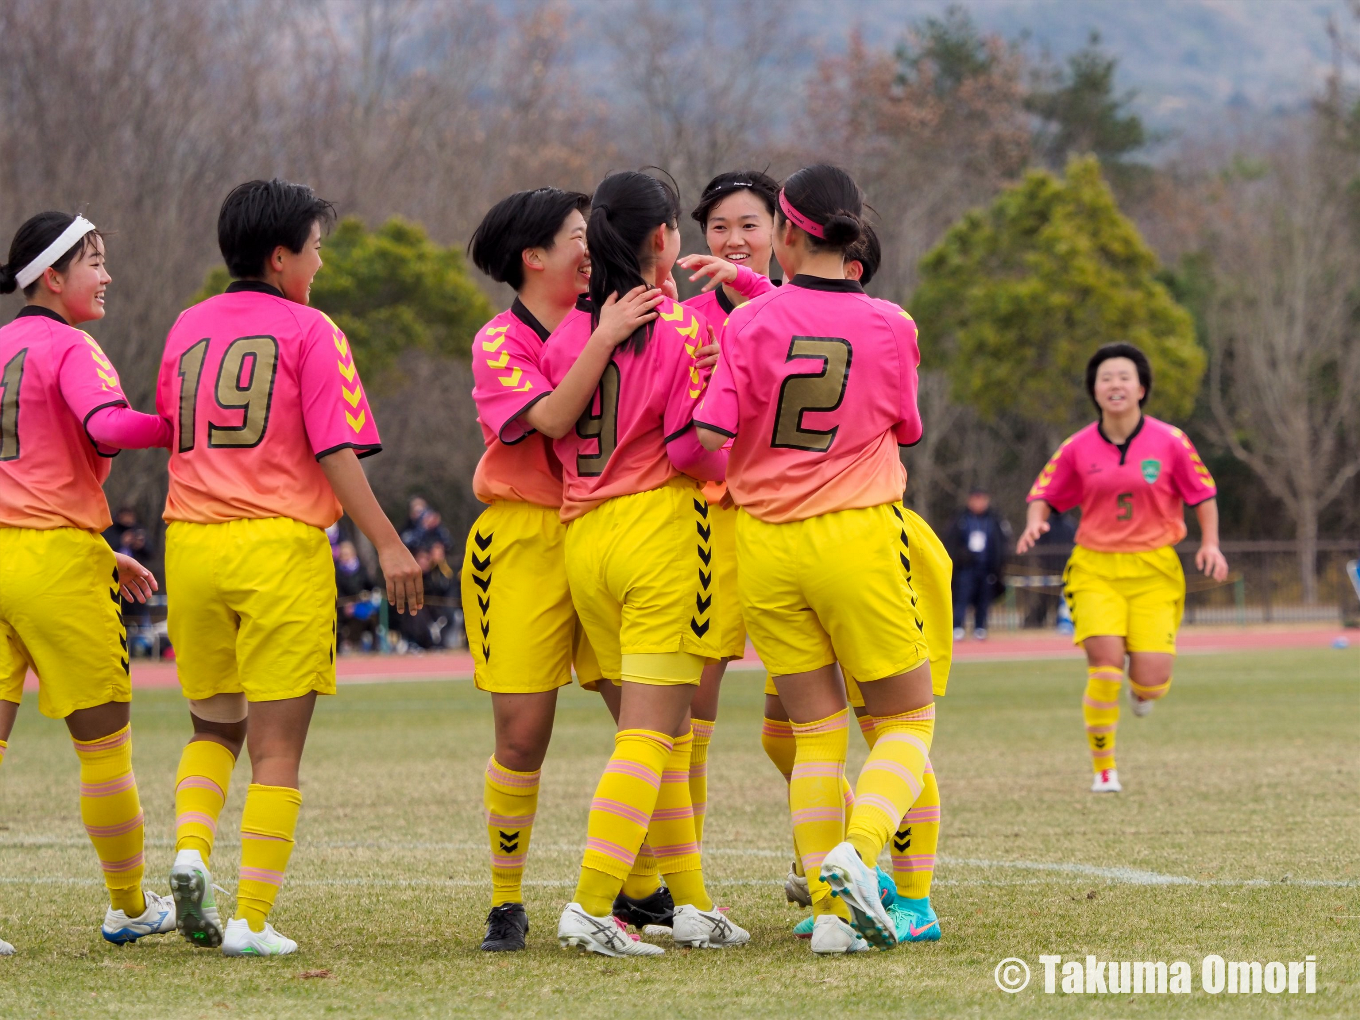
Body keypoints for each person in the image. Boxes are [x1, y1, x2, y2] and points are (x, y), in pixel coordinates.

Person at [156, 178, 423, 957]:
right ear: (280, 258)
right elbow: (334, 450)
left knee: (213, 725)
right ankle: (251, 920)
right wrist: (386, 540)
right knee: (277, 750)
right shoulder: (312, 330)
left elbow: (176, 433)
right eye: (315, 250)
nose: (320, 265)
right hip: (277, 546)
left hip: (192, 546)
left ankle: (190, 851)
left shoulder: (184, 327)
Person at [695, 164, 946, 954]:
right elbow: (905, 428)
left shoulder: (749, 325)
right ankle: (861, 855)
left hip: (765, 546)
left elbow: (710, 435)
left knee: (815, 734)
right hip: (855, 535)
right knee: (906, 719)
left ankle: (833, 923)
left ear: (789, 234)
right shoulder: (892, 324)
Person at [544, 170, 748, 957]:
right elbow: (690, 445)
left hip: (583, 536)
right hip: (657, 532)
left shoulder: (572, 329)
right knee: (652, 737)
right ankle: (594, 903)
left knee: (652, 738)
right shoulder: (680, 329)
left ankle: (692, 904)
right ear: (662, 238)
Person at [463, 186, 665, 951]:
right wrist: (606, 337)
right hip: (523, 539)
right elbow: (549, 419)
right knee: (522, 735)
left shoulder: (620, 315)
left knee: (643, 719)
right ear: (534, 255)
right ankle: (506, 902)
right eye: (578, 234)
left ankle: (645, 890)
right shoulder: (499, 340)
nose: (593, 246)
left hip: (612, 533)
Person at [0, 210, 178, 951]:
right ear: (52, 276)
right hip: (52, 563)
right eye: (94, 262)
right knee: (104, 748)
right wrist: (178, 421)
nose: (106, 277)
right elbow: (106, 427)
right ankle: (130, 905)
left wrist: (104, 550)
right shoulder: (69, 342)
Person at [1017, 343, 1227, 793]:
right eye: (1105, 377)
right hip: (1095, 568)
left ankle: (1142, 693)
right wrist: (1036, 522)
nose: (1115, 384)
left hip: (1155, 570)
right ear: (1094, 390)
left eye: (1124, 376)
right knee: (1105, 665)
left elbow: (1203, 493)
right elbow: (1044, 493)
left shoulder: (1170, 441)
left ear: (1142, 388)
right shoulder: (1077, 447)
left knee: (1151, 682)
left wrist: (1211, 544)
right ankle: (1105, 769)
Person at [670, 170, 781, 854]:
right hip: (709, 529)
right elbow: (677, 442)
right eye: (718, 227)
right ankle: (685, 885)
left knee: (797, 718)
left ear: (781, 232)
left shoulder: (807, 311)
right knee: (691, 718)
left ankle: (822, 861)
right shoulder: (683, 323)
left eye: (749, 225)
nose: (733, 240)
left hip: (792, 526)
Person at [947, 488, 1007, 640]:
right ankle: (958, 627)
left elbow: (1001, 543)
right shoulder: (960, 519)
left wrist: (998, 565)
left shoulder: (994, 520)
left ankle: (980, 627)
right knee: (962, 597)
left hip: (986, 567)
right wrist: (961, 556)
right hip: (965, 568)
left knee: (984, 598)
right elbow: (951, 542)